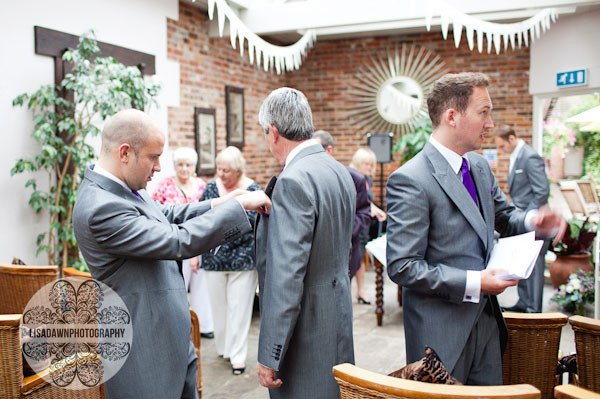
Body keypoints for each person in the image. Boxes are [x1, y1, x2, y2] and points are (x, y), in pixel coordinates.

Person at [72, 109, 270, 399]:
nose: (159, 167)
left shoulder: (120, 189)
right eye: (153, 157)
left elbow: (167, 215)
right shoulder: (100, 207)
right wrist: (238, 210)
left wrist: (222, 201)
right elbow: (176, 241)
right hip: (145, 349)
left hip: (170, 337)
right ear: (125, 153)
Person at [385, 73, 565, 385]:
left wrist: (535, 220)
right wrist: (475, 281)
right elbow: (403, 266)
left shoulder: (479, 167)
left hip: (486, 323)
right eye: (484, 112)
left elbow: (505, 217)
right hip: (440, 335)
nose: (491, 123)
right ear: (451, 116)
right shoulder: (411, 179)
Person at [255, 87, 356, 398]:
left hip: (305, 334)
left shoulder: (293, 180)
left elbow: (286, 277)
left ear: (273, 132)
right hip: (336, 316)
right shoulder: (339, 170)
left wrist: (270, 352)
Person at [200, 146, 260, 375]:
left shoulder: (252, 189)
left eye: (226, 170)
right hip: (214, 257)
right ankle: (224, 347)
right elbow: (200, 220)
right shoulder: (211, 188)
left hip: (243, 258)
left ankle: (238, 356)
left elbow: (256, 223)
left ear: (238, 170)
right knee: (219, 307)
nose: (222, 174)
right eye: (219, 169)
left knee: (240, 308)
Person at [152, 147, 215, 338]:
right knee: (178, 284)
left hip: (200, 240)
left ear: (194, 166)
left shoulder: (202, 186)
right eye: (180, 164)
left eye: (188, 165)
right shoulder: (164, 185)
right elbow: (155, 212)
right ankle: (180, 325)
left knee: (201, 285)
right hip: (175, 241)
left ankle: (204, 326)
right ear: (174, 166)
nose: (184, 169)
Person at [494, 125, 551, 313]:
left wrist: (528, 218)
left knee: (535, 267)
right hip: (522, 220)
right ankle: (523, 302)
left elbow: (541, 191)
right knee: (524, 263)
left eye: (502, 146)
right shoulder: (516, 156)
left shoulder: (529, 156)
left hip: (535, 222)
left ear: (511, 138)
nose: (501, 151)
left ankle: (533, 309)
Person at [312, 130, 372, 303]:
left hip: (344, 252)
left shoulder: (354, 178)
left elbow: (364, 213)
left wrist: (345, 231)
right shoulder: (304, 177)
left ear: (329, 150)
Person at [349, 147, 387, 302]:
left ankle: (361, 290)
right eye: (366, 164)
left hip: (363, 222)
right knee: (355, 257)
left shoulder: (367, 180)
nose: (369, 167)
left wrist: (376, 210)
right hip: (353, 222)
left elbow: (366, 202)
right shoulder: (351, 176)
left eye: (371, 165)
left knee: (361, 257)